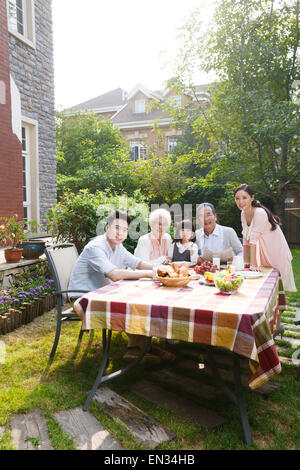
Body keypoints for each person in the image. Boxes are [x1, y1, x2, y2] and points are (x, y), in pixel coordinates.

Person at [68, 210, 172, 364]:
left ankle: (141, 347)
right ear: (107, 228)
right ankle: (137, 349)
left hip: (102, 291)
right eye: (117, 228)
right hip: (85, 297)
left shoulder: (118, 246)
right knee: (136, 300)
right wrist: (149, 275)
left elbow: (138, 263)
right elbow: (114, 274)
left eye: (124, 230)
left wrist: (161, 270)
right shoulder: (95, 247)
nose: (120, 233)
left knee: (140, 296)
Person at [234, 184, 296, 292]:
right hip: (263, 251)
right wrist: (245, 262)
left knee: (277, 288)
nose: (240, 201)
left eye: (244, 197)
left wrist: (253, 265)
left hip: (276, 251)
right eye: (237, 198)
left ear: (252, 198)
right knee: (263, 287)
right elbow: (246, 238)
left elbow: (253, 240)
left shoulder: (260, 213)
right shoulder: (243, 213)